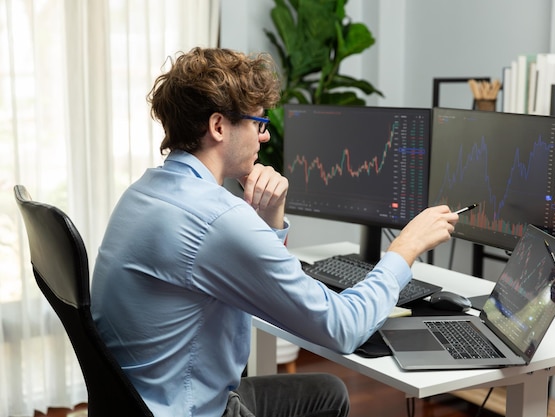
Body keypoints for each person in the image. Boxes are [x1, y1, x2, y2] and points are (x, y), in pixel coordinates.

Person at [91, 46, 459, 417]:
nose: (264, 137)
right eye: (257, 123)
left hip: (141, 401)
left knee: (327, 393)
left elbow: (262, 284)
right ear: (219, 126)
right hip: (193, 409)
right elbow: (342, 327)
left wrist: (269, 218)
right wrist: (404, 250)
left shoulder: (144, 191)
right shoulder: (217, 218)